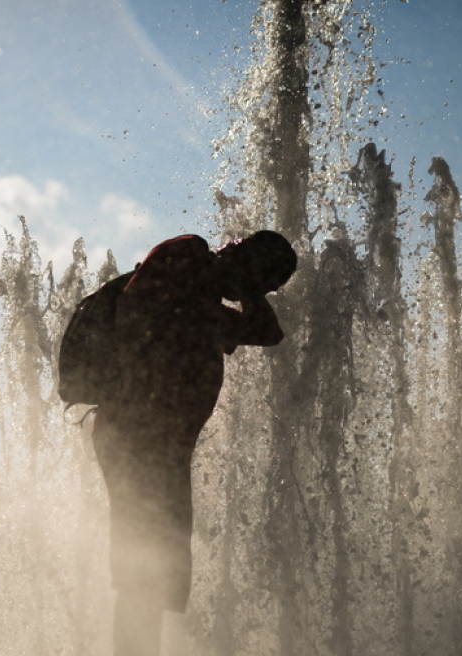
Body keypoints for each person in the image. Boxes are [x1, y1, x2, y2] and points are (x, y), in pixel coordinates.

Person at [90, 232, 296, 656]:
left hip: (165, 450)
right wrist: (235, 278)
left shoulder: (207, 307)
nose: (258, 292)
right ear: (243, 254)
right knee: (142, 572)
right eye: (265, 279)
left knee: (159, 575)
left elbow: (268, 332)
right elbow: (135, 312)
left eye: (269, 287)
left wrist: (248, 284)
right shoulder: (188, 255)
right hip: (136, 438)